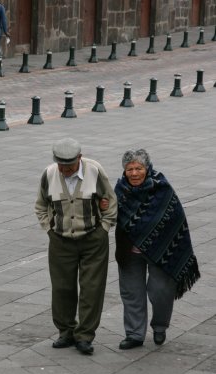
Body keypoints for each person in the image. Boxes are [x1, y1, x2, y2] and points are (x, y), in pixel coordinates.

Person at [35, 138, 117, 355]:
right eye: (62, 166)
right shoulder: (50, 173)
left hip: (93, 240)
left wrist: (104, 228)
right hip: (60, 241)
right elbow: (41, 205)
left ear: (79, 159)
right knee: (62, 288)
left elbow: (110, 200)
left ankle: (85, 336)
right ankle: (66, 332)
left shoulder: (95, 170)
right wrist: (49, 228)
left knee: (92, 288)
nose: (65, 171)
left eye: (69, 167)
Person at [114, 149, 200, 349]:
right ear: (124, 171)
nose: (134, 173)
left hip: (161, 251)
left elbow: (176, 218)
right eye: (130, 169)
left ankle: (160, 326)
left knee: (161, 291)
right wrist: (103, 207)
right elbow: (111, 218)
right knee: (131, 293)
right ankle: (134, 334)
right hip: (129, 252)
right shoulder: (120, 190)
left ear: (147, 168)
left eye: (139, 168)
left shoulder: (162, 188)